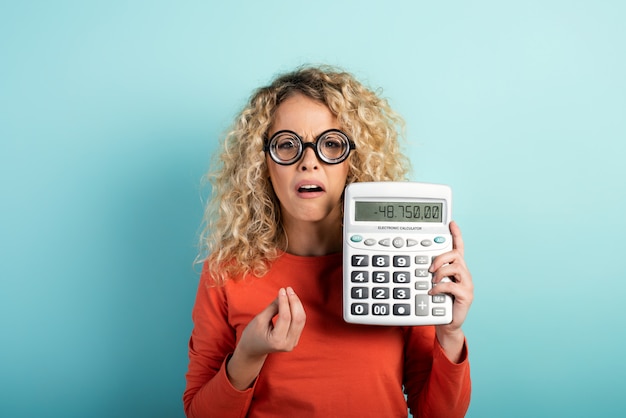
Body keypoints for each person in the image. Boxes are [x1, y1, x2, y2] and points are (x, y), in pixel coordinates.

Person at [183, 65, 473, 418]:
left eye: (330, 144)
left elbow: (439, 414)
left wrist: (450, 334)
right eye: (287, 145)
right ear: (262, 163)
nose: (309, 162)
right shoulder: (227, 270)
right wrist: (248, 355)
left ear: (353, 159)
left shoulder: (402, 268)